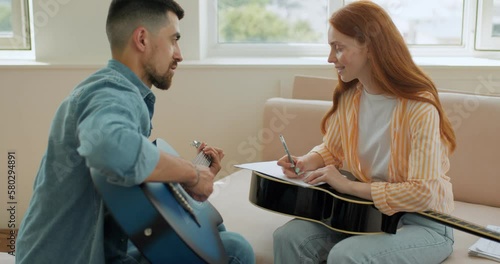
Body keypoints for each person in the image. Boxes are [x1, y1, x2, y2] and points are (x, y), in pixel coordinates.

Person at [15, 0, 255, 263]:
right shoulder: (112, 92)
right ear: (142, 39)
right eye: (174, 40)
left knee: (214, 228)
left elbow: (124, 183)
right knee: (233, 250)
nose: (179, 54)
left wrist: (186, 184)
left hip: (105, 242)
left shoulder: (115, 91)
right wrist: (191, 173)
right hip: (74, 256)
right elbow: (110, 148)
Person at [274, 1, 456, 263]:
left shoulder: (419, 106)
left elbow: (422, 193)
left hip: (425, 222)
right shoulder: (351, 97)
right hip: (368, 215)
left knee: (346, 256)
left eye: (339, 48)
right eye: (330, 48)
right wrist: (304, 162)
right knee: (288, 237)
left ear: (369, 47)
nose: (330, 58)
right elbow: (332, 150)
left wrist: (348, 185)